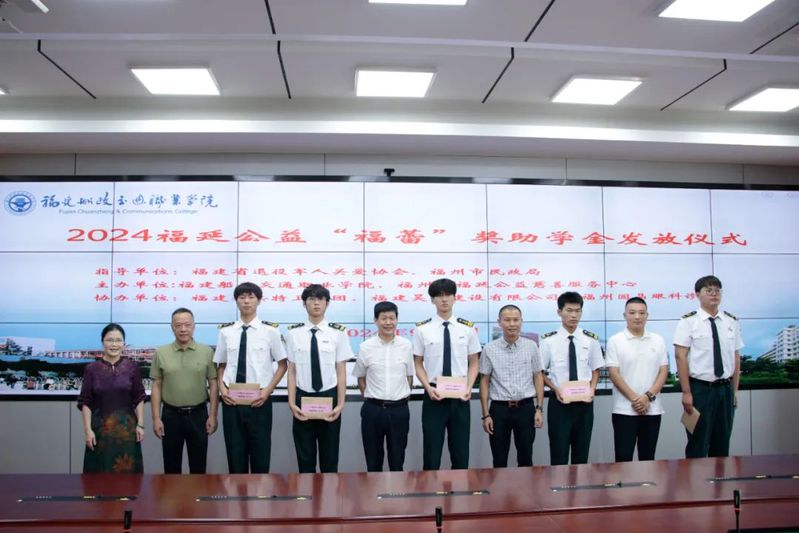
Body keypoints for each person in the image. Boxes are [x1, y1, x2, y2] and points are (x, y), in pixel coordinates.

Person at [214, 282, 287, 473]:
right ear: (236, 301)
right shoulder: (226, 332)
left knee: (260, 457)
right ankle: (237, 493)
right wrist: (222, 390)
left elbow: (283, 365)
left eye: (251, 297)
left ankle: (260, 492)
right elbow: (221, 365)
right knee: (235, 457)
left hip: (259, 401)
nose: (246, 301)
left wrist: (267, 392)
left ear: (259, 300)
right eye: (242, 297)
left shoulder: (270, 331)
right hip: (232, 401)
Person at [413, 278, 481, 470]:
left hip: (461, 396)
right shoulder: (422, 329)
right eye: (439, 296)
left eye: (448, 295)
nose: (444, 299)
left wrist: (469, 387)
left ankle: (460, 488)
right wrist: (428, 388)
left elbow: (474, 361)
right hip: (434, 395)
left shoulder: (467, 328)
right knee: (432, 452)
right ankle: (430, 487)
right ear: (432, 300)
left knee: (460, 452)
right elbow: (418, 363)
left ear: (455, 298)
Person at [285, 284, 353, 473]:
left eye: (320, 299)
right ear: (304, 304)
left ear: (327, 303)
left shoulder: (338, 332)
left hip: (329, 397)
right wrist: (291, 403)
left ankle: (329, 492)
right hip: (302, 397)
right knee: (305, 459)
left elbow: (341, 370)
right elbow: (292, 370)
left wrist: (341, 404)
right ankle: (306, 492)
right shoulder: (293, 333)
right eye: (312, 299)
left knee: (330, 458)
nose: (316, 303)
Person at [674, 275, 742, 458]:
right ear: (697, 294)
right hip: (700, 390)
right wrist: (686, 392)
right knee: (698, 444)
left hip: (725, 390)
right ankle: (696, 478)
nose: (714, 294)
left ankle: (719, 477)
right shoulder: (688, 321)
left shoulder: (731, 321)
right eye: (709, 290)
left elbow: (736, 358)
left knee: (722, 444)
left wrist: (734, 391)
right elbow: (680, 357)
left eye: (717, 290)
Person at [150, 307, 218, 474]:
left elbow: (213, 384)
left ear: (194, 326)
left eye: (187, 325)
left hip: (198, 415)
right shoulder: (161, 353)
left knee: (198, 468)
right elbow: (156, 386)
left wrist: (213, 415)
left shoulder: (207, 352)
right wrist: (156, 418)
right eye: (178, 325)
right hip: (170, 416)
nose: (183, 329)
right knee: (171, 468)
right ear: (172, 327)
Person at [540, 292, 604, 466]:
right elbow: (540, 373)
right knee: (558, 454)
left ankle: (580, 484)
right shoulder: (548, 341)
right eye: (569, 310)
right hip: (559, 403)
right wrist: (556, 389)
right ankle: (559, 484)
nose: (573, 315)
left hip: (584, 404)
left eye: (577, 311)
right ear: (559, 312)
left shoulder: (590, 339)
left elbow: (596, 369)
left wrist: (592, 389)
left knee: (581, 455)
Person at [479, 305, 545, 468]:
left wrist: (539, 409)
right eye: (507, 320)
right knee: (499, 460)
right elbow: (484, 381)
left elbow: (538, 376)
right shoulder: (489, 348)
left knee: (526, 459)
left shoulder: (531, 346)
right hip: (499, 410)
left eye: (516, 320)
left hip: (526, 409)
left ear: (521, 321)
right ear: (499, 322)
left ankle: (526, 486)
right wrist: (486, 415)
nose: (512, 324)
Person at [353, 301, 414, 472]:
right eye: (383, 318)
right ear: (375, 320)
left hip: (399, 410)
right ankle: (373, 490)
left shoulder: (406, 345)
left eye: (392, 318)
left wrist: (400, 397)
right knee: (373, 462)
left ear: (397, 320)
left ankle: (397, 490)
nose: (388, 322)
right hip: (373, 410)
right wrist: (371, 397)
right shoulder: (365, 347)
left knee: (397, 460)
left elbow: (409, 376)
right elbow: (361, 378)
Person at [606, 297, 669, 462]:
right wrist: (636, 400)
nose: (637, 317)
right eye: (632, 313)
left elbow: (663, 371)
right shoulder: (615, 341)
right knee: (623, 458)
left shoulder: (658, 340)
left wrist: (647, 397)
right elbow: (614, 373)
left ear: (647, 315)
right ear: (624, 315)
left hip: (652, 409)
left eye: (641, 313)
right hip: (624, 410)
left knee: (648, 458)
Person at [78, 323, 146, 473]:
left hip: (127, 432)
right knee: (99, 474)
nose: (114, 344)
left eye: (118, 340)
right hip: (100, 432)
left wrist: (140, 425)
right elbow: (86, 402)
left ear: (124, 343)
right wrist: (88, 430)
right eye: (110, 340)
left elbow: (139, 398)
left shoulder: (132, 367)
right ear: (103, 342)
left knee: (127, 475)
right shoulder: (91, 369)